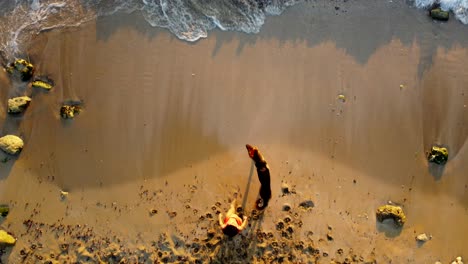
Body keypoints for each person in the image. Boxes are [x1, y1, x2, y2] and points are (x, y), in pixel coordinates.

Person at [245, 144, 271, 210]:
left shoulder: (259, 162)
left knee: (264, 183)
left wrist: (249, 148)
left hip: (262, 170)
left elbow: (249, 148)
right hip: (263, 170)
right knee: (265, 183)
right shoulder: (261, 162)